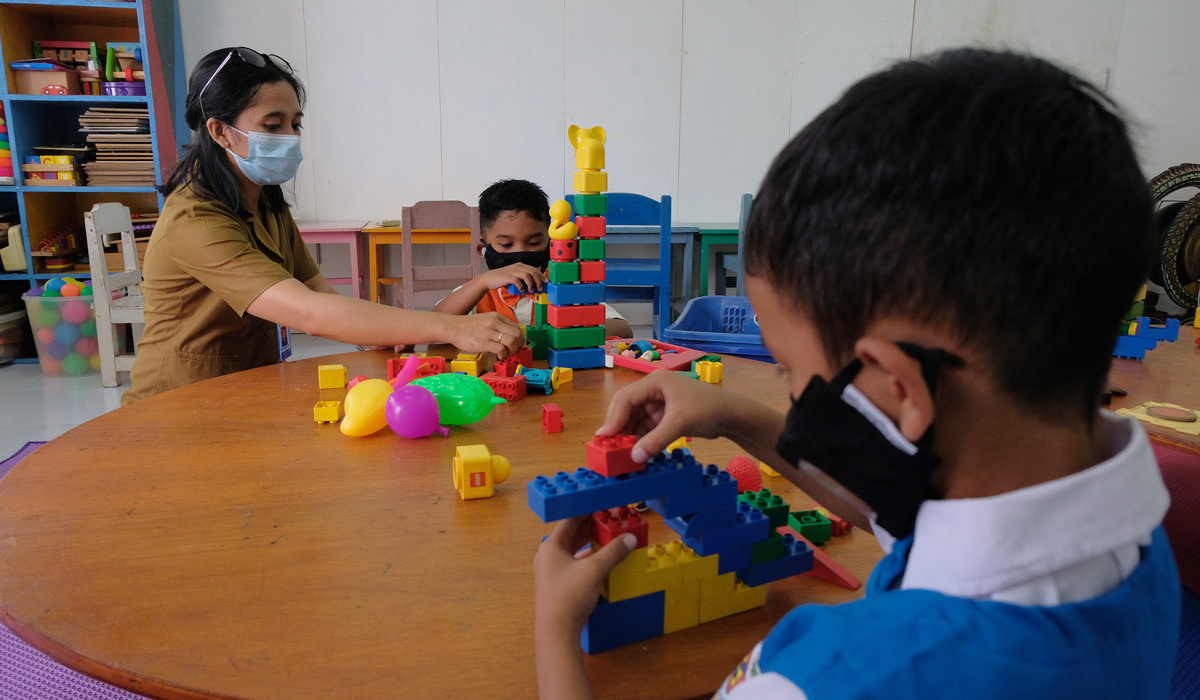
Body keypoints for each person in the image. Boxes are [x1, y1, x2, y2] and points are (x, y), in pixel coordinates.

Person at [533, 48, 1179, 699]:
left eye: (790, 370)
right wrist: (731, 413)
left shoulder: (826, 680)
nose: (792, 393)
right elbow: (900, 514)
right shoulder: (1119, 529)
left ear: (900, 388)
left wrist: (556, 630)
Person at [123, 47, 523, 404]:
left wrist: (389, 331)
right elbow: (310, 312)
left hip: (241, 390)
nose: (290, 137)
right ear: (221, 131)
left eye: (295, 124)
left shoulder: (266, 203)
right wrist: (452, 328)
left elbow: (316, 289)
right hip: (176, 403)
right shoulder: (196, 220)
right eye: (273, 125)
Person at [431, 178, 633, 338]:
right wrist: (482, 282)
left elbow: (623, 329)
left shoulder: (565, 288)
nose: (520, 256)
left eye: (534, 243)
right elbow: (432, 326)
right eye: (506, 245)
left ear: (551, 244)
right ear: (482, 250)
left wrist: (562, 330)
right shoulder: (477, 292)